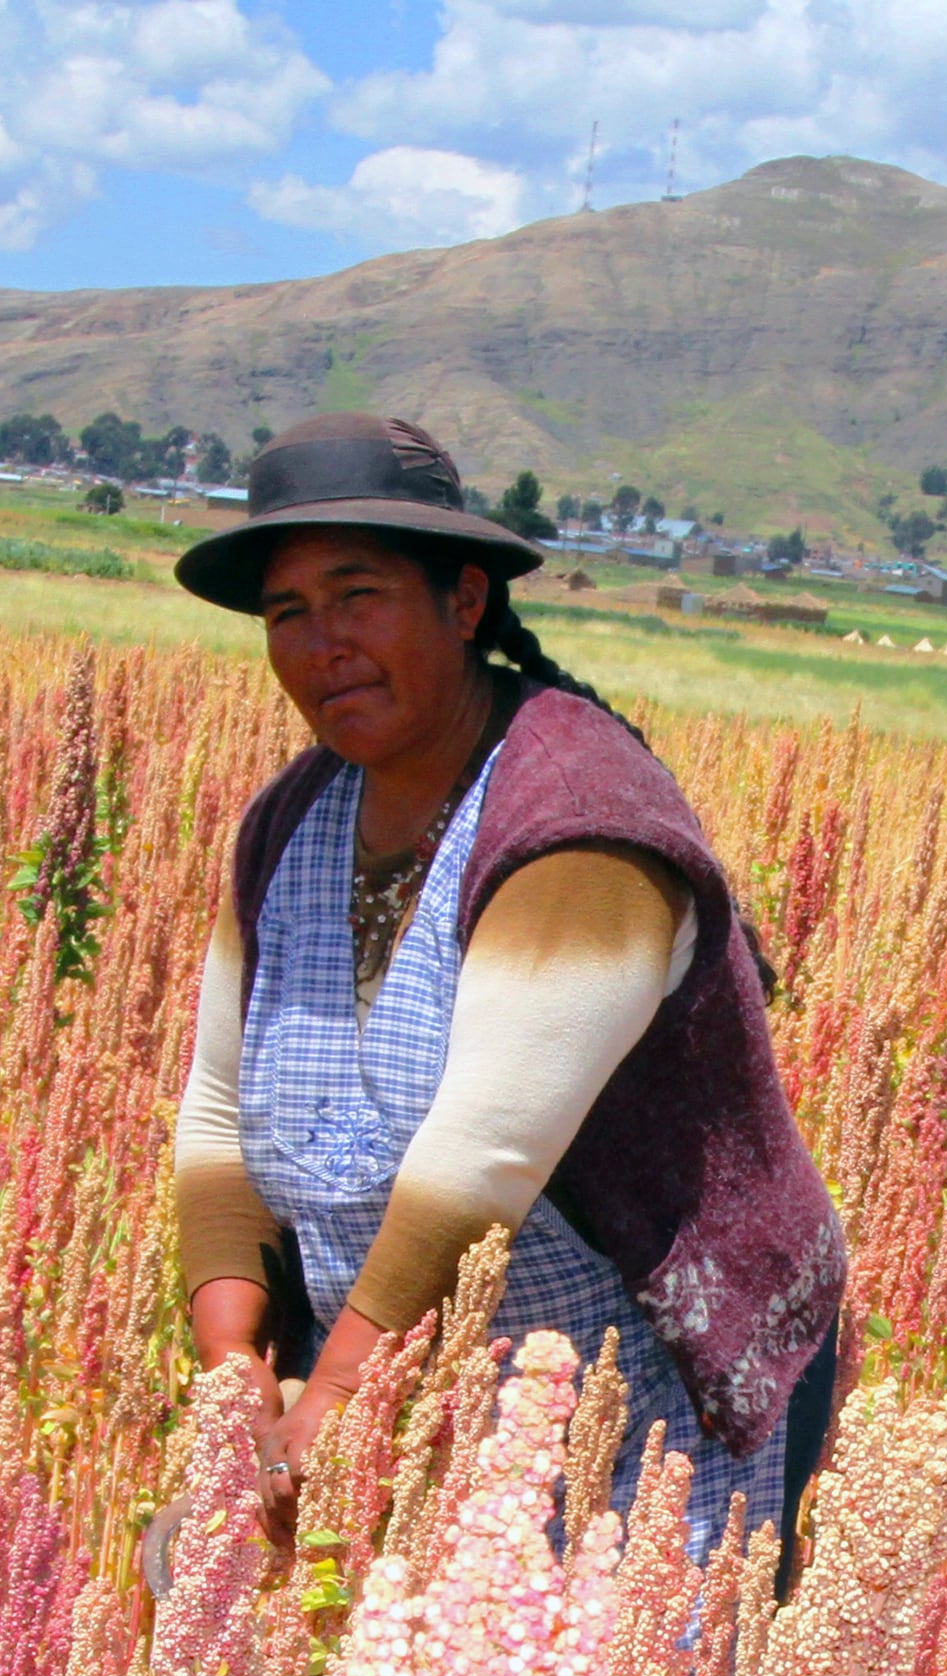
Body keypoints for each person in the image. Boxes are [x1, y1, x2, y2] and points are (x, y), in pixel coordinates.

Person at [170, 414, 846, 1560]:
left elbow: (481, 1162)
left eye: (359, 596)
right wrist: (237, 1383)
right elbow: (219, 1118)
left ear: (466, 601)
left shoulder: (578, 825)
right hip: (411, 1372)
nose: (324, 643)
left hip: (643, 1402)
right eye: (289, 613)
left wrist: (330, 1404)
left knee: (627, 1664)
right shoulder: (293, 821)